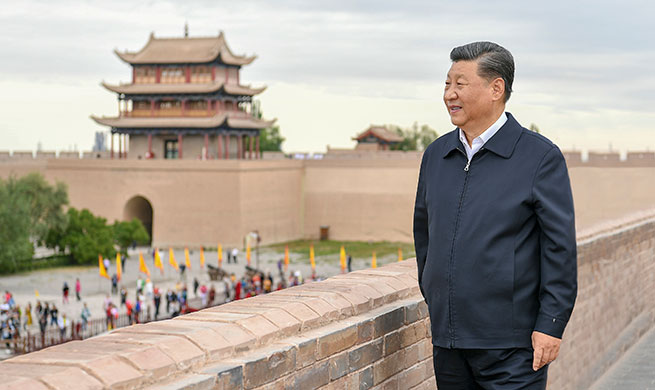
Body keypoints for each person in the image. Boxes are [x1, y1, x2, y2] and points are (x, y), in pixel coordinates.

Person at [413, 41, 577, 389]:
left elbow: (559, 250)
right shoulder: (436, 155)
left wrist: (551, 323)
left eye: (460, 83)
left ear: (496, 88)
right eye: (446, 83)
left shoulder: (539, 157)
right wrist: (435, 293)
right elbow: (424, 234)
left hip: (513, 348)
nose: (449, 94)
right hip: (449, 341)